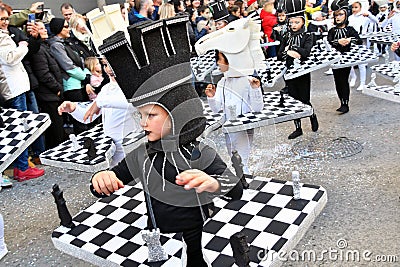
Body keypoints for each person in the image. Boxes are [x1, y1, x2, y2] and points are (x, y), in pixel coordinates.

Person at [90, 67, 243, 267]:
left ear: (177, 115)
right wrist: (101, 178)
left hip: (196, 234)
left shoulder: (199, 152)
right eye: (140, 115)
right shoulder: (141, 154)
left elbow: (236, 190)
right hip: (156, 234)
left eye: (151, 115)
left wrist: (214, 184)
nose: (143, 123)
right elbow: (110, 181)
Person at [58, 61, 141, 167]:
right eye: (105, 64)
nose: (108, 69)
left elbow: (133, 104)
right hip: (111, 150)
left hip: (132, 148)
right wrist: (73, 109)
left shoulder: (134, 85)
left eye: (111, 62)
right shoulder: (106, 89)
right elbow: (89, 115)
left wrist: (100, 102)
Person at [0, 5, 45, 181]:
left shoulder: (4, 33)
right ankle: (22, 167)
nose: (5, 23)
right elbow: (10, 58)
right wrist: (23, 45)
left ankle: (23, 165)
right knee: (19, 129)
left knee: (24, 127)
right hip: (13, 88)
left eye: (6, 19)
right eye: (2, 20)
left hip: (19, 85)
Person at [205, 51, 263, 174]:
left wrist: (256, 90)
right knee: (235, 158)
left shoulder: (248, 81)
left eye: (220, 59)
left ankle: (244, 183)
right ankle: (242, 181)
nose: (218, 63)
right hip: (229, 128)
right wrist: (211, 97)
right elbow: (216, 109)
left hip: (243, 127)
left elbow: (257, 108)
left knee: (242, 160)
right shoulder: (222, 82)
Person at [277, 12, 319, 139]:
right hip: (289, 72)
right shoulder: (286, 36)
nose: (293, 25)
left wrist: (293, 49)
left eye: (297, 22)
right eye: (291, 22)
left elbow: (306, 52)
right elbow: (280, 55)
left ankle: (312, 115)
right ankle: (298, 128)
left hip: (303, 72)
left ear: (303, 22)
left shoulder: (308, 35)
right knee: (293, 100)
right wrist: (288, 52)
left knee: (305, 98)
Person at [48, 17, 93, 134]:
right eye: (66, 27)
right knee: (81, 122)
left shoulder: (66, 43)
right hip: (72, 86)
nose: (69, 29)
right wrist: (86, 77)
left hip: (80, 83)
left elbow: (81, 61)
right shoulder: (56, 45)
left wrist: (87, 77)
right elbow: (68, 67)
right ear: (59, 29)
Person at [327, 1, 362, 114]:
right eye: (336, 15)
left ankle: (345, 103)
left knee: (343, 80)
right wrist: (338, 41)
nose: (338, 17)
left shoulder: (350, 29)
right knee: (337, 80)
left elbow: (359, 40)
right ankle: (342, 102)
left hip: (346, 59)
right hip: (335, 59)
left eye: (341, 14)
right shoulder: (332, 30)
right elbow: (329, 41)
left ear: (346, 15)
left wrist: (349, 40)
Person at [348, 1, 378, 91]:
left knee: (361, 63)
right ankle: (353, 77)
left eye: (356, 7)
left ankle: (362, 83)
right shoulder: (350, 17)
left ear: (360, 7)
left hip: (362, 41)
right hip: (351, 41)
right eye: (353, 7)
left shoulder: (365, 16)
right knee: (349, 62)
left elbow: (376, 21)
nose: (354, 9)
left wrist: (369, 15)